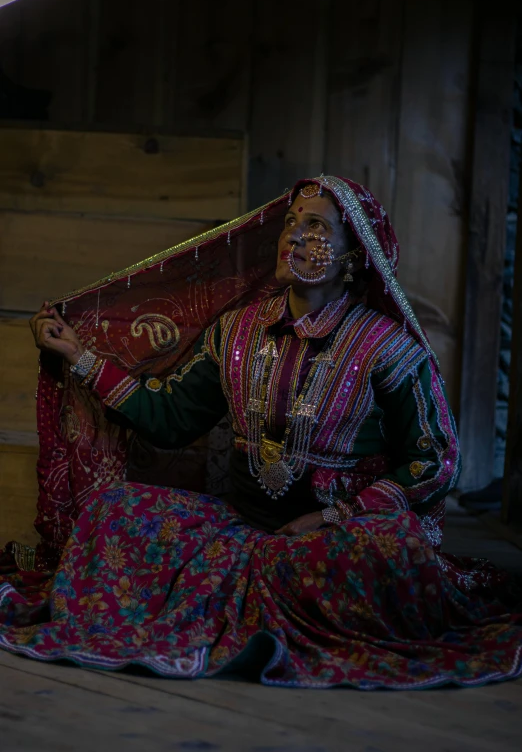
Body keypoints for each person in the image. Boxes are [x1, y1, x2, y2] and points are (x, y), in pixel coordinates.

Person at [0, 175, 520, 688]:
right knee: (112, 510)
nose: (293, 236)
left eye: (315, 227)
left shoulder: (388, 349)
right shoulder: (237, 331)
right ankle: (255, 591)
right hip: (238, 530)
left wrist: (337, 515)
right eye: (291, 223)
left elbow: (435, 461)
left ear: (355, 256)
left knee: (388, 553)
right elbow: (171, 418)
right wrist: (79, 355)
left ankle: (245, 598)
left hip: (333, 539)